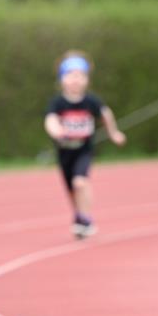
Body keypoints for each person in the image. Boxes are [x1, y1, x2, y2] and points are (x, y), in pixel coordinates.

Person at [44, 50, 125, 237]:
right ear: (62, 79)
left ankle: (86, 217)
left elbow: (105, 114)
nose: (75, 80)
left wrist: (114, 133)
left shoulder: (91, 101)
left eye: (80, 76)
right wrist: (57, 131)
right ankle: (80, 217)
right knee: (72, 190)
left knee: (80, 182)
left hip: (84, 150)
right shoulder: (58, 102)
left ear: (86, 79)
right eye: (71, 75)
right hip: (64, 152)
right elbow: (50, 120)